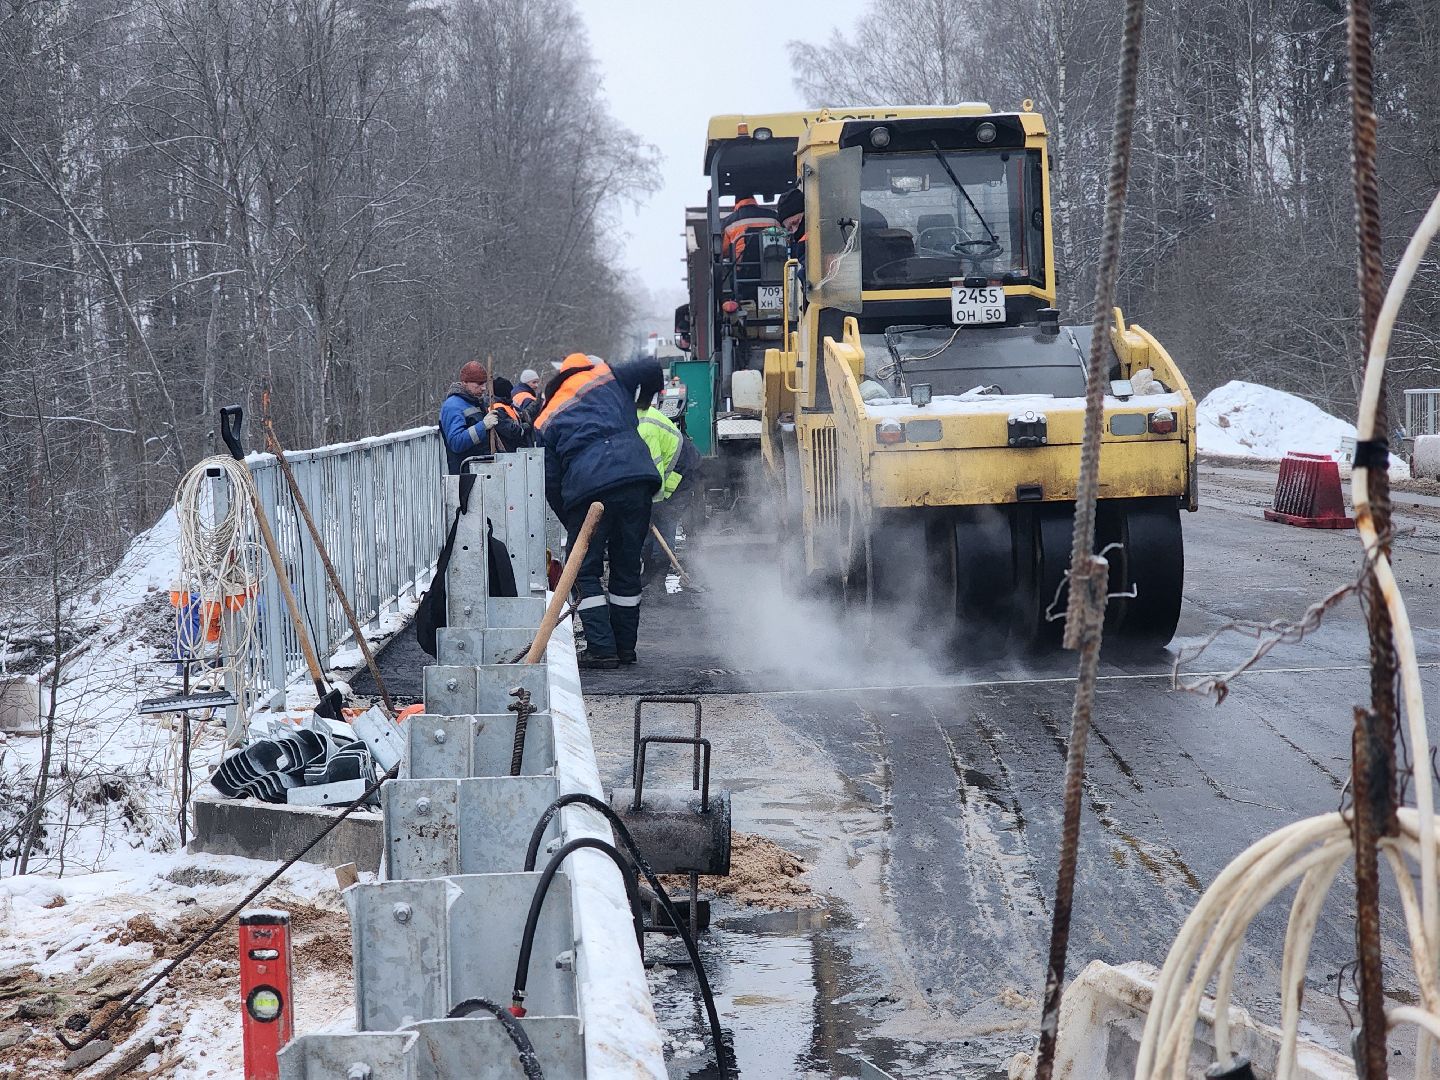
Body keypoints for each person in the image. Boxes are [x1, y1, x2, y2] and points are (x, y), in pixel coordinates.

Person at [535, 352, 665, 668]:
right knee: (626, 566)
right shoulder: (608, 377)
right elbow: (651, 366)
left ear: (557, 379)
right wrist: (642, 403)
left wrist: (573, 523)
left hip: (588, 492)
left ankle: (603, 649)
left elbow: (550, 481)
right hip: (637, 481)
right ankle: (625, 648)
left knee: (584, 570)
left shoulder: (545, 418)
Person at [637, 392, 702, 580]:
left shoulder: (645, 429)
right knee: (647, 522)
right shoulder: (628, 423)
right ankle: (648, 574)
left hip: (681, 467)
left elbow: (655, 473)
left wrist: (652, 506)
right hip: (666, 468)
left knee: (664, 517)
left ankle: (659, 577)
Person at [439, 360, 493, 474]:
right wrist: (483, 426)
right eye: (479, 384)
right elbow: (456, 443)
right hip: (465, 474)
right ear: (464, 382)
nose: (483, 388)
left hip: (479, 470)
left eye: (484, 383)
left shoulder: (476, 402)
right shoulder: (453, 406)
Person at [721, 193, 780, 259]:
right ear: (754, 200)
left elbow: (724, 251)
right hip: (774, 260)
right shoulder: (774, 216)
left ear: (736, 203)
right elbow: (784, 238)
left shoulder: (728, 222)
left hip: (741, 263)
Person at [487, 377, 530, 452]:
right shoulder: (496, 409)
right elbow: (509, 430)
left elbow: (521, 415)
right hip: (507, 451)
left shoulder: (507, 405)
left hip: (514, 449)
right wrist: (523, 428)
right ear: (505, 393)